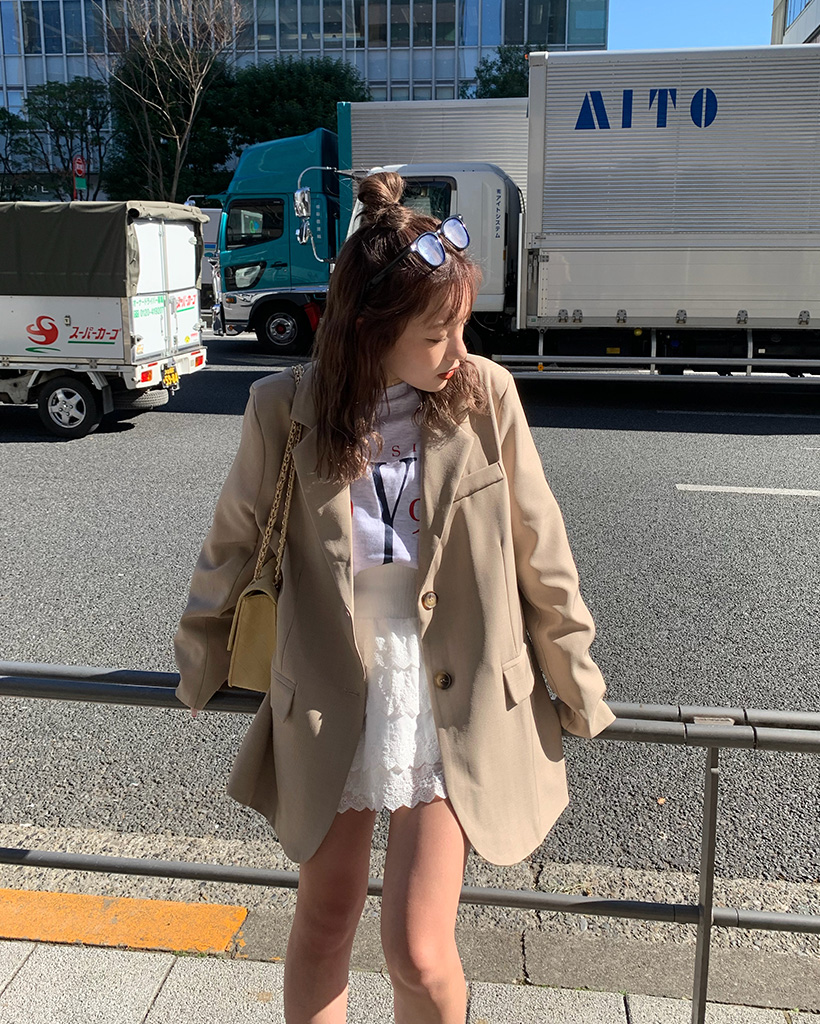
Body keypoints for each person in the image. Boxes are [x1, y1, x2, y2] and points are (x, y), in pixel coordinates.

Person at [174, 171, 616, 1024]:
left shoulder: (485, 396)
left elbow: (541, 546)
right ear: (371, 330)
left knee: (417, 947)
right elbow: (232, 541)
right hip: (333, 681)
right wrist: (199, 659)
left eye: (462, 326)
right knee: (323, 921)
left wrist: (576, 677)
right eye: (438, 332)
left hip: (450, 685)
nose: (458, 349)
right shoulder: (284, 407)